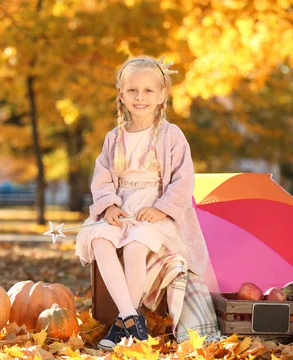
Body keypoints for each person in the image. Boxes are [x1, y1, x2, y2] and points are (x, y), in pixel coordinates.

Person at [75, 56, 215, 350]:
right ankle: (130, 318)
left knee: (136, 244)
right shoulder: (114, 138)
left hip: (155, 209)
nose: (140, 97)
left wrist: (162, 208)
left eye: (148, 91)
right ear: (121, 95)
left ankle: (120, 325)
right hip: (122, 207)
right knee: (100, 239)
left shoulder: (171, 135)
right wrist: (109, 206)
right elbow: (102, 179)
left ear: (162, 95)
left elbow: (183, 180)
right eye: (132, 91)